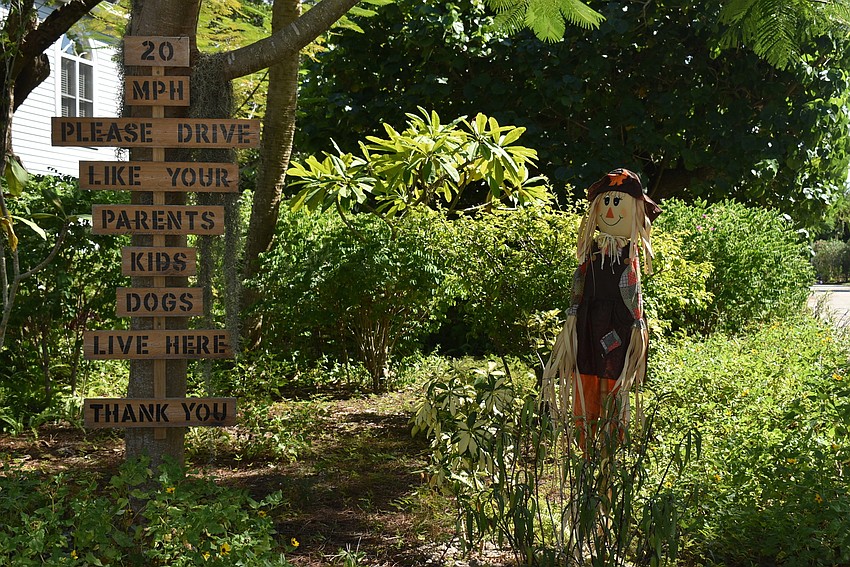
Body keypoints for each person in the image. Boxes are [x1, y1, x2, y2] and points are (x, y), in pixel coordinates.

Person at [543, 168, 661, 449]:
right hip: (586, 328)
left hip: (617, 331)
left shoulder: (628, 258)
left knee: (612, 383)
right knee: (586, 384)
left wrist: (637, 328)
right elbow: (578, 289)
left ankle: (610, 451)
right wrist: (573, 316)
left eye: (617, 203)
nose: (609, 210)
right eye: (605, 202)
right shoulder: (590, 255)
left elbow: (633, 296)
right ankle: (585, 448)